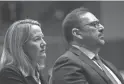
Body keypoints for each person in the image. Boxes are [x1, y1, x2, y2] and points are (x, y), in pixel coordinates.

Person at [50, 7, 124, 84]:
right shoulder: (67, 63)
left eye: (99, 23)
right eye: (94, 24)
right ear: (77, 33)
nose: (102, 27)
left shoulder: (108, 65)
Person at [0, 19, 47, 84]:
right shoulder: (9, 73)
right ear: (20, 46)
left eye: (42, 38)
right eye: (37, 39)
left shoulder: (36, 72)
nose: (44, 43)